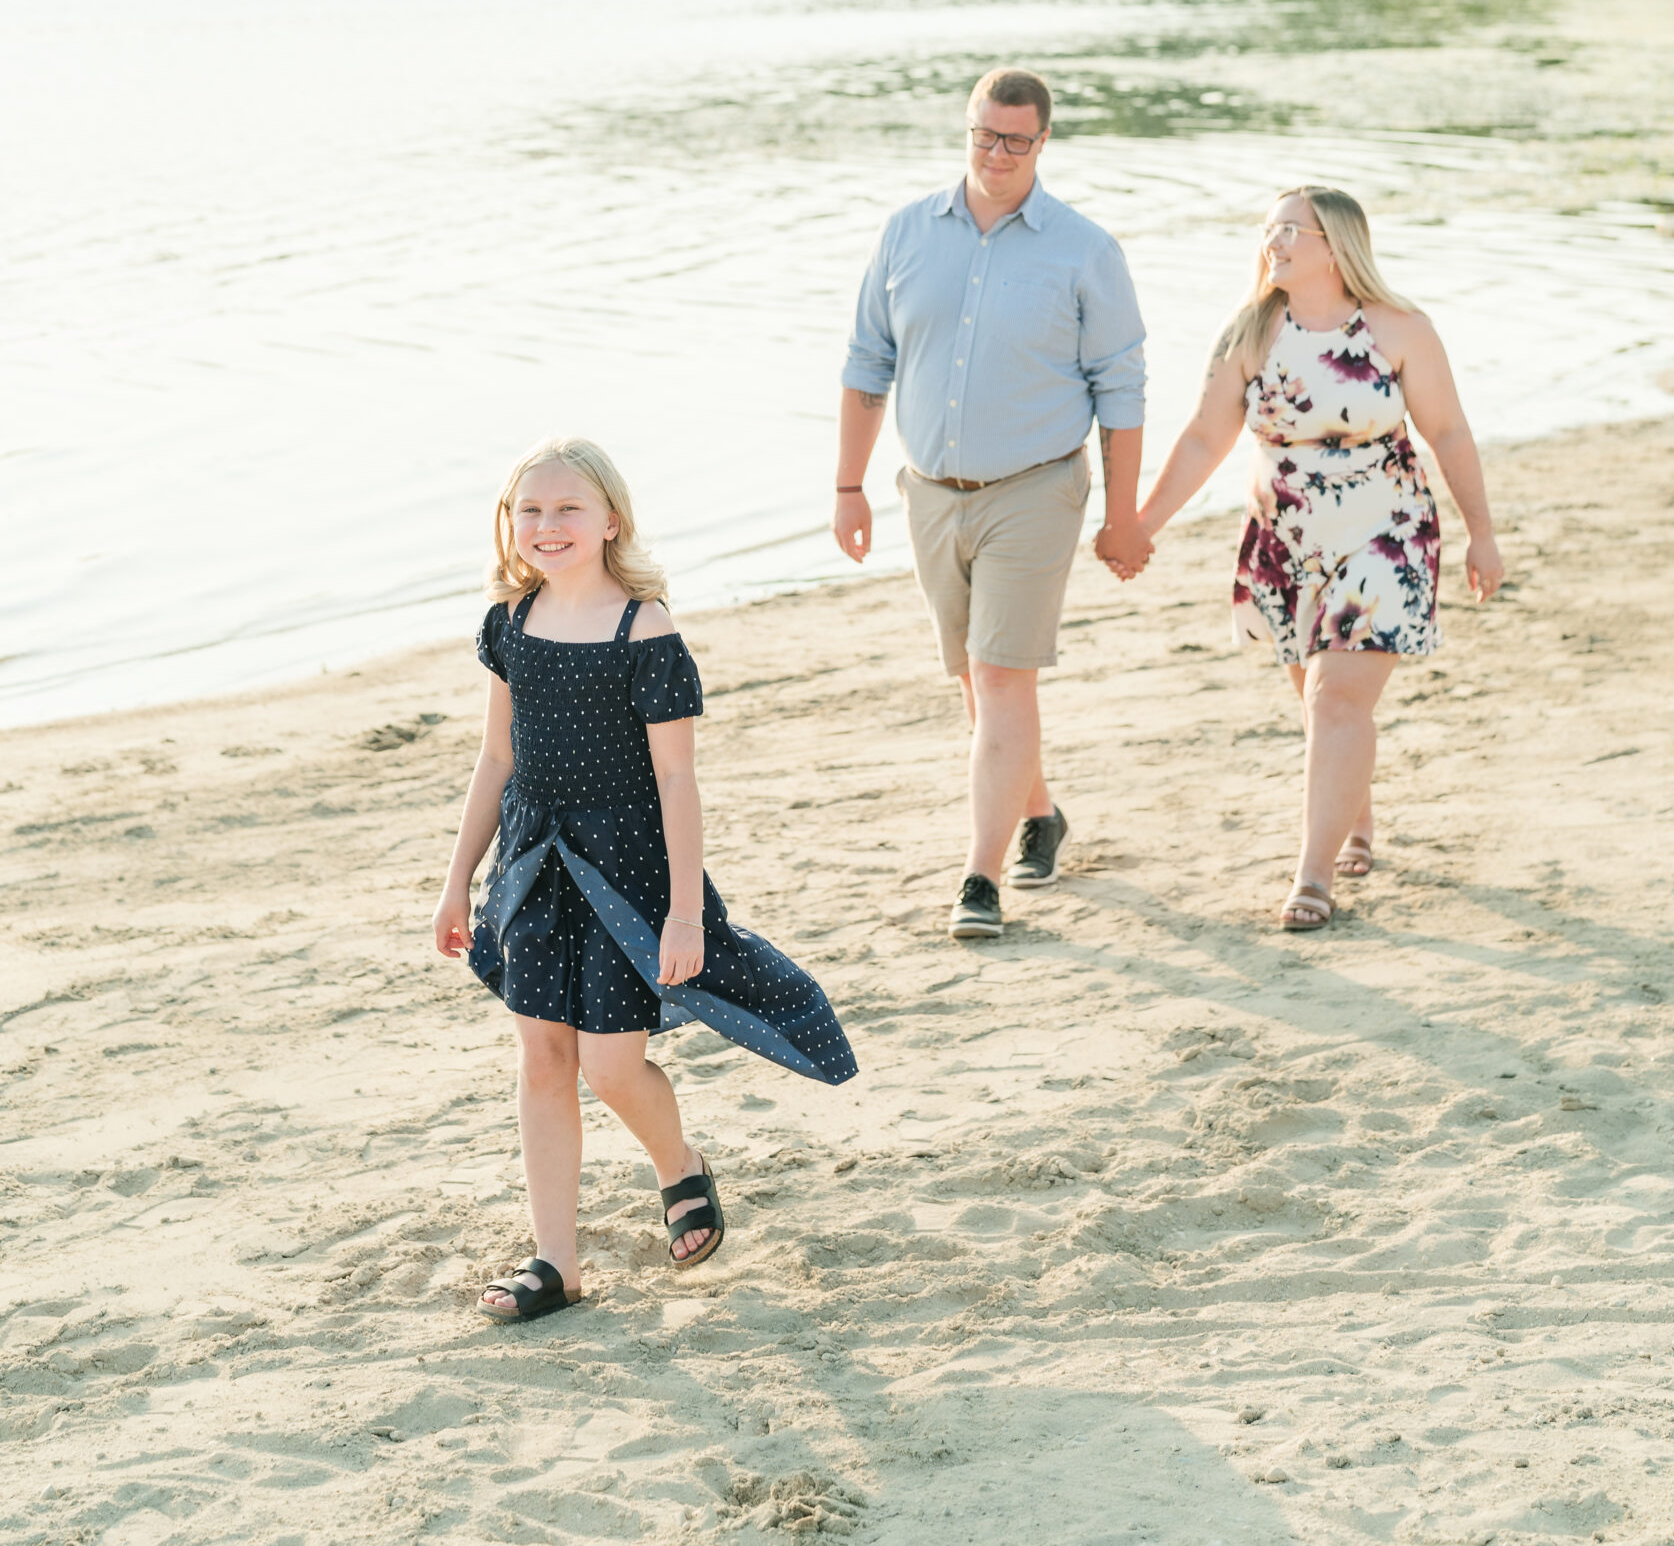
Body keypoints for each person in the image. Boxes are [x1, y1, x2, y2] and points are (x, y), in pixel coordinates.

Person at [434, 437, 855, 1322]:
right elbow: (496, 756)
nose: (547, 527)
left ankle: (680, 1167)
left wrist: (687, 914)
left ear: (610, 520)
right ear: (509, 524)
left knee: (613, 1067)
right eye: (530, 510)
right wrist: (456, 881)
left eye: (567, 509)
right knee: (543, 1059)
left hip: (626, 876)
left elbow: (675, 779)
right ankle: (556, 1262)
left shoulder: (644, 629)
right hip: (534, 867)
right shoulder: (510, 622)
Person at [1129, 186, 1504, 931]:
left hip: (1386, 532)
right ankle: (1353, 819)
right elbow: (1204, 439)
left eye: (1290, 230)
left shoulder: (1399, 329)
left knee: (1336, 699)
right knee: (1321, 702)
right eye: (1268, 228)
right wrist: (1143, 524)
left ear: (1335, 246)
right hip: (1285, 541)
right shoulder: (1248, 333)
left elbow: (1449, 434)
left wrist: (1480, 533)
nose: (1273, 241)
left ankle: (1312, 874)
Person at [835, 66, 1148, 941]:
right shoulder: (905, 233)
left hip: (1037, 490)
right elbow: (868, 366)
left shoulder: (1084, 249)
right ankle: (1039, 813)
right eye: (983, 134)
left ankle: (979, 877)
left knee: (1002, 675)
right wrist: (847, 487)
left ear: (1043, 142)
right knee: (977, 681)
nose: (996, 153)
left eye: (1015, 139)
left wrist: (1123, 516)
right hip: (929, 495)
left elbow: (1120, 389)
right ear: (965, 128)